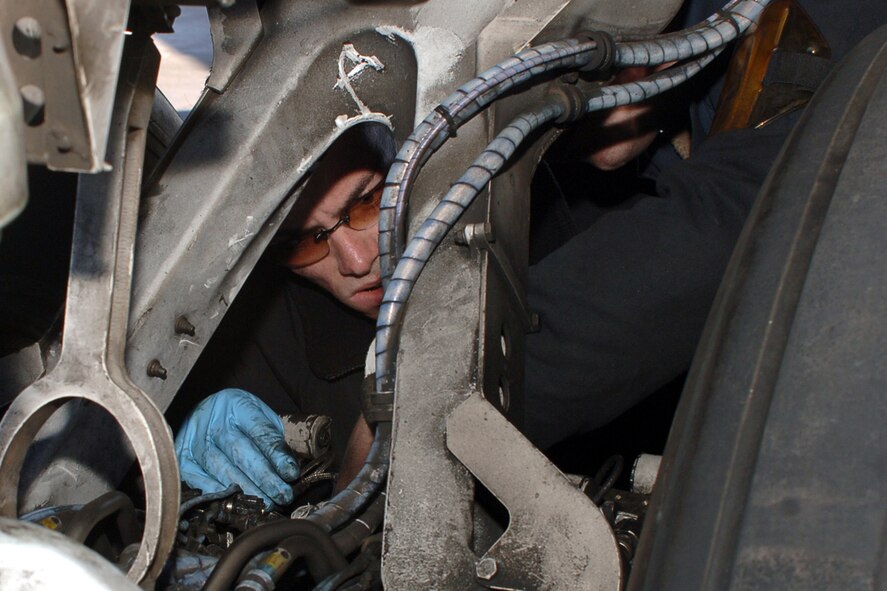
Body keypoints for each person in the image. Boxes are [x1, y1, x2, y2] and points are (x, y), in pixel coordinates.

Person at [174, 123, 393, 507]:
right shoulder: (261, 336)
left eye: (366, 203)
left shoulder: (524, 250)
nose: (357, 262)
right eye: (306, 241)